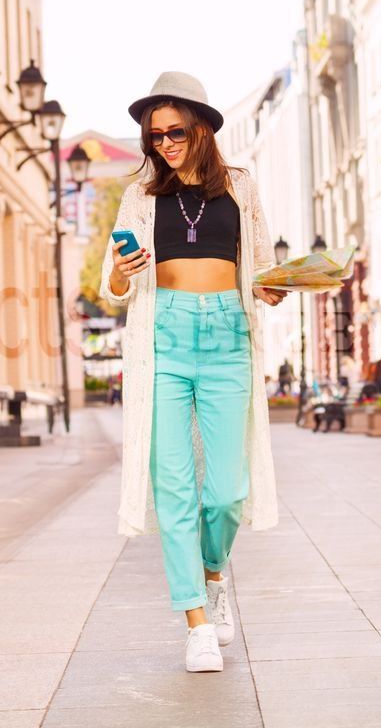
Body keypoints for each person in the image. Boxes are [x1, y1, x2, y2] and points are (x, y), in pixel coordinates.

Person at [99, 72, 288, 674]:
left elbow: (261, 272)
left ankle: (213, 574)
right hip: (164, 340)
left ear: (202, 127)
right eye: (155, 135)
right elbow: (113, 287)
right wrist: (125, 272)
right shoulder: (139, 197)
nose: (165, 143)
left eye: (176, 131)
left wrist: (287, 285)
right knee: (174, 486)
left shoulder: (240, 187)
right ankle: (196, 623)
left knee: (229, 490)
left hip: (229, 336)